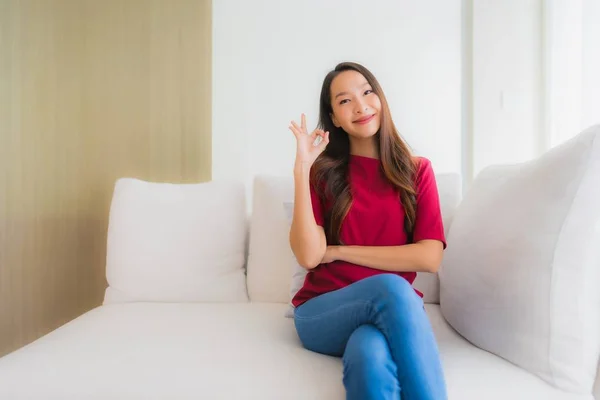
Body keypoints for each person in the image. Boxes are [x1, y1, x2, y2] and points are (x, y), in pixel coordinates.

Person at [288, 62, 448, 400]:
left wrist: (341, 250)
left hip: (390, 309)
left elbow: (430, 257)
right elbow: (309, 254)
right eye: (345, 101)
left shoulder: (417, 171)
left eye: (366, 92)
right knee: (390, 288)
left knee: (369, 356)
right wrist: (302, 169)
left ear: (380, 98)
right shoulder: (323, 173)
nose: (360, 106)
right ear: (333, 117)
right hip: (323, 311)